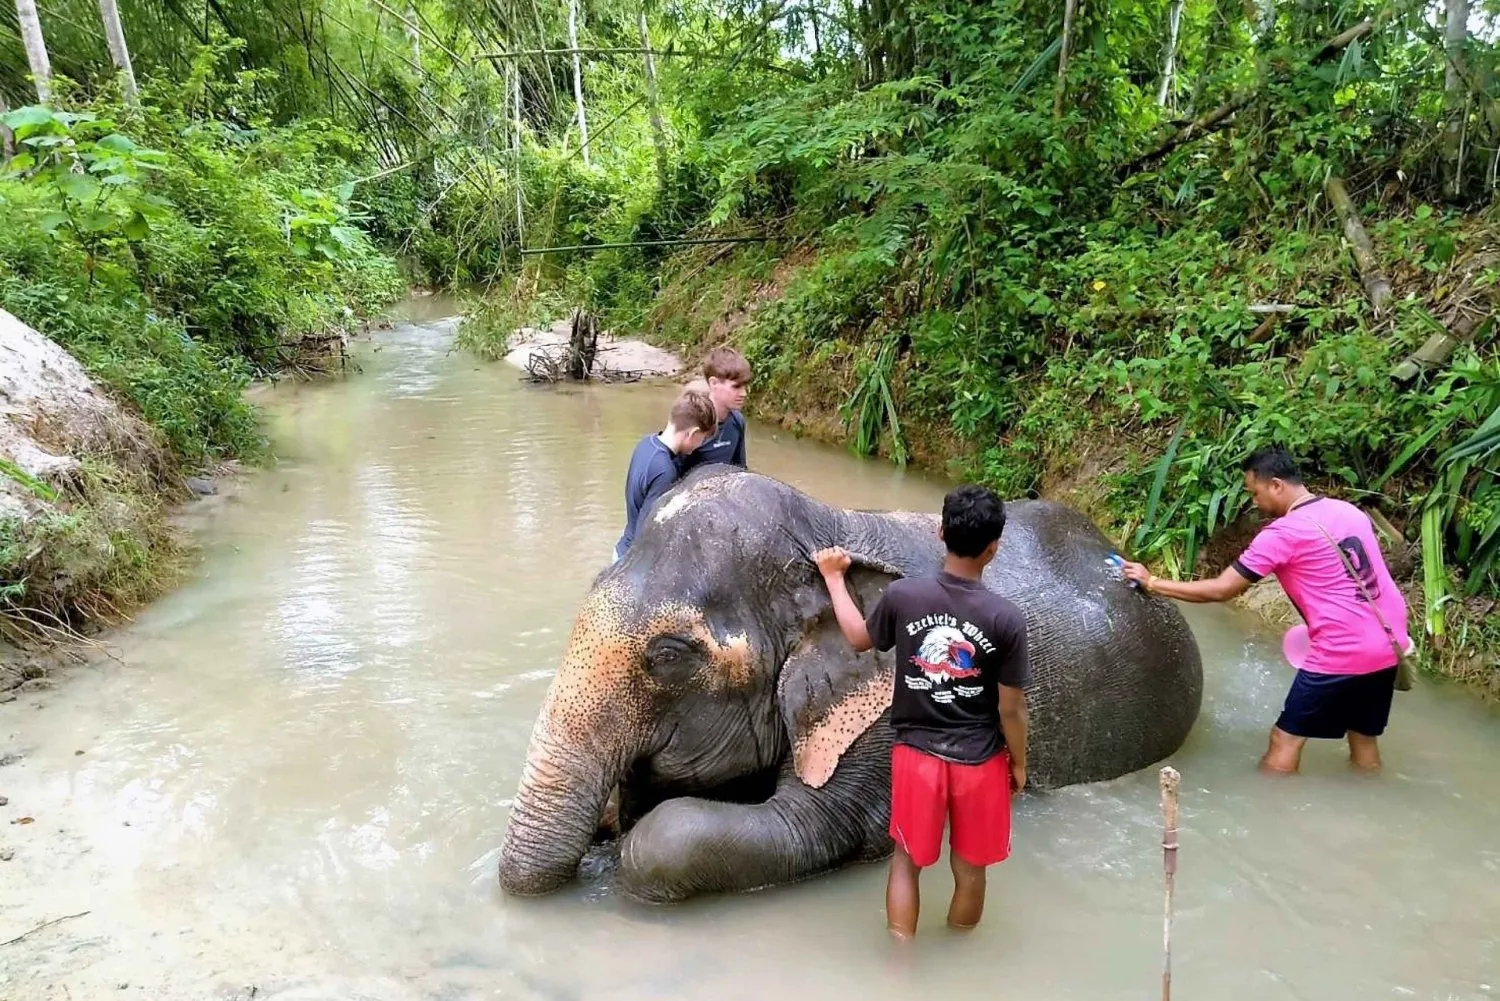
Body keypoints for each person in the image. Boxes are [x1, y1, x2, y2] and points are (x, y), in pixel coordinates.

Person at [811, 485, 1030, 939]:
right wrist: (1020, 764)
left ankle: (902, 964)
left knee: (906, 863)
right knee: (971, 870)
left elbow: (857, 639)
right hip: (981, 761)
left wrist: (834, 578)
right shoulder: (1006, 618)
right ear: (995, 548)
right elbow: (1012, 709)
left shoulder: (904, 596)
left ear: (940, 531)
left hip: (917, 756)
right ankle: (959, 956)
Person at [1120, 445, 1412, 775]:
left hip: (1341, 648)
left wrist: (1153, 582)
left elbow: (1222, 589)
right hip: (1390, 641)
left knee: (1283, 740)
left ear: (1276, 484)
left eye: (1255, 493)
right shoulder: (1348, 511)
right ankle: (1369, 796)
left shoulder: (1282, 534)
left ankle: (1274, 814)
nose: (1255, 503)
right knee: (1363, 738)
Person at [613, 388, 718, 562]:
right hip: (632, 565)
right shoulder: (665, 471)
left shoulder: (646, 443)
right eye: (702, 439)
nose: (700, 445)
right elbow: (648, 533)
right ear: (692, 433)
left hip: (621, 549)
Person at [679, 347, 750, 471]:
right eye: (736, 387)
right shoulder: (692, 423)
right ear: (714, 383)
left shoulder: (737, 421)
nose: (744, 393)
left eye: (745, 386)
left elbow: (740, 469)